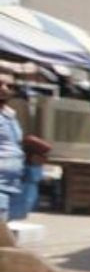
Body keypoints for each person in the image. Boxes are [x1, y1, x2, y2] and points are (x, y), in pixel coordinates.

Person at [0, 73, 28, 222]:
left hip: (12, 183)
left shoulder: (10, 115)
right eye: (0, 84)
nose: (4, 89)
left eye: (9, 86)